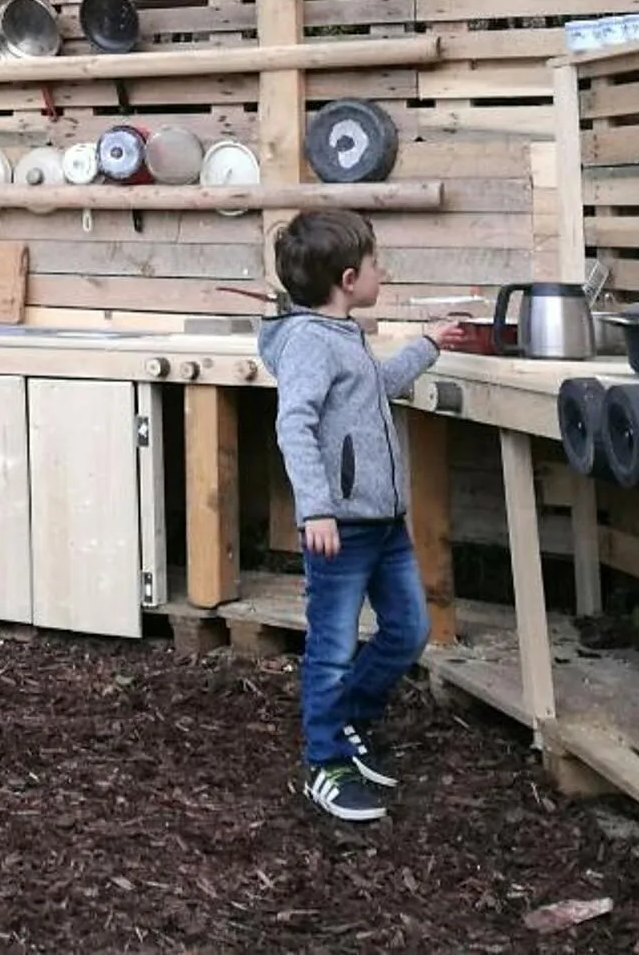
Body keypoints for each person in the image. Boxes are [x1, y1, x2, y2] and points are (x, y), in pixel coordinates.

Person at [258, 206, 439, 823]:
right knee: (331, 650)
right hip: (339, 529)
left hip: (384, 524)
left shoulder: (343, 336)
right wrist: (316, 510)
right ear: (348, 278)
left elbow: (375, 386)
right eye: (375, 263)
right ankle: (325, 764)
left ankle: (349, 720)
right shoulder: (310, 341)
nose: (382, 271)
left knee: (408, 631)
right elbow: (294, 425)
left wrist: (432, 345)